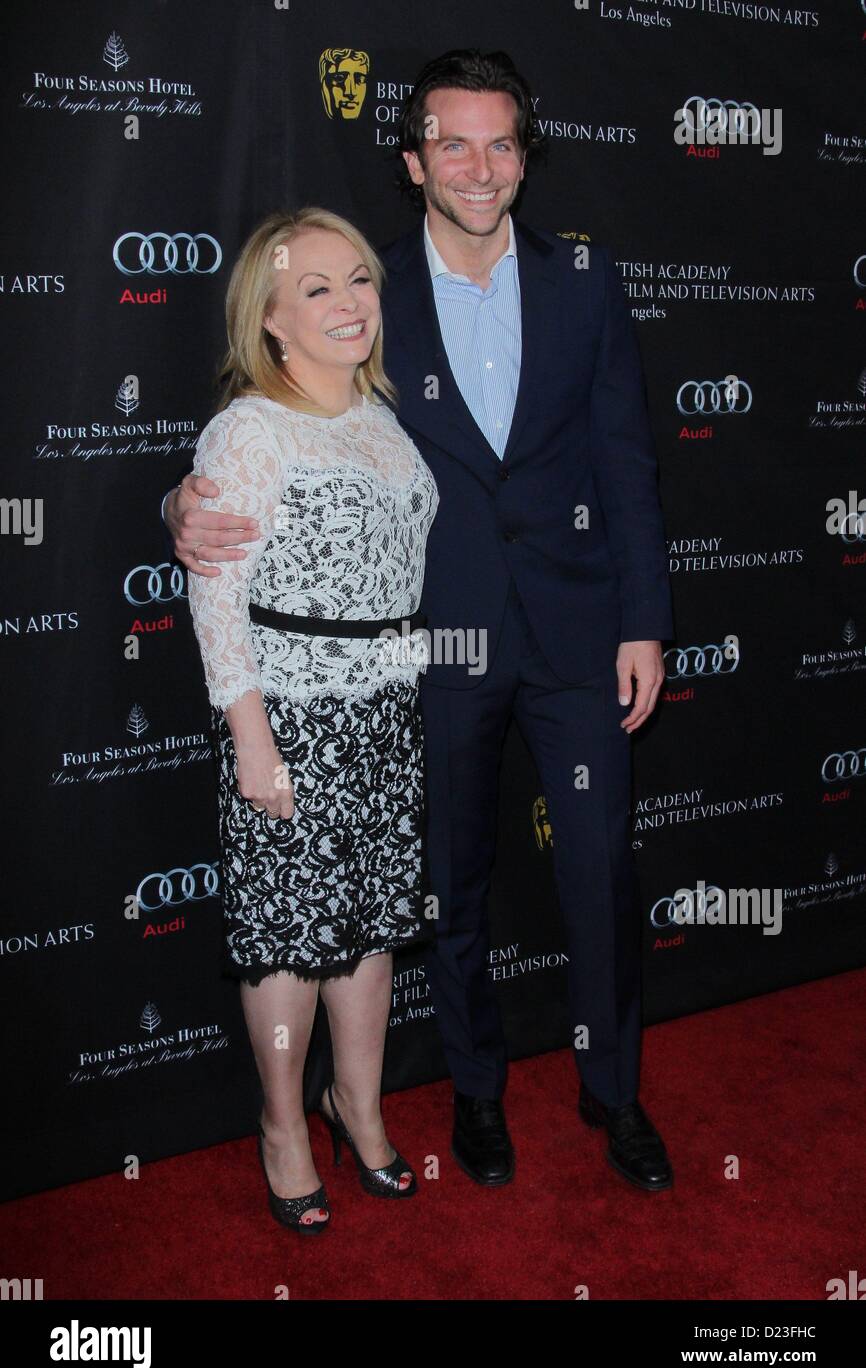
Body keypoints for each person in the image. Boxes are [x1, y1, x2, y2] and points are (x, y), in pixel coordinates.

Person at [166, 49, 675, 1194]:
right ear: (412, 160)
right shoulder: (370, 288)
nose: (477, 165)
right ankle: (477, 1093)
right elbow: (274, 424)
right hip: (433, 648)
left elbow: (627, 457)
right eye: (452, 142)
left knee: (598, 869)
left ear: (523, 157)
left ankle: (616, 1094)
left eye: (499, 142)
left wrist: (642, 618)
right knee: (448, 881)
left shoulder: (582, 278)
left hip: (579, 632)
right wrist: (178, 504)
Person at [185, 207, 438, 1232]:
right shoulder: (249, 428)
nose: (348, 304)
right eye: (317, 288)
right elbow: (215, 593)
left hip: (386, 715)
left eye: (359, 280)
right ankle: (283, 1124)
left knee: (371, 937)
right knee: (290, 944)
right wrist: (251, 737)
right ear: (272, 319)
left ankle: (359, 1108)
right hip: (289, 720)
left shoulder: (382, 420)